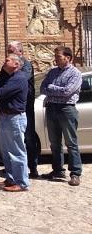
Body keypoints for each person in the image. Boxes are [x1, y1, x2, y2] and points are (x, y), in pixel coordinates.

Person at [40, 46, 83, 186]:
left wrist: (52, 88)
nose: (55, 59)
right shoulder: (52, 72)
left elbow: (67, 91)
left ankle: (75, 173)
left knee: (71, 142)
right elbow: (42, 88)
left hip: (67, 109)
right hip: (52, 108)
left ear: (68, 58)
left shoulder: (75, 73)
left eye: (58, 56)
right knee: (54, 142)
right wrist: (53, 89)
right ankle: (58, 169)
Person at [0, 54, 29, 192]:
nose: (4, 62)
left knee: (17, 151)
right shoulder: (7, 77)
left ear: (16, 64)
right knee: (6, 151)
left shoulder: (18, 78)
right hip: (5, 116)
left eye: (7, 60)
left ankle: (21, 182)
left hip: (15, 118)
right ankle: (11, 178)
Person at [8, 41, 39, 178]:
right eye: (8, 51)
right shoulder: (8, 66)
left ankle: (33, 168)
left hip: (25, 107)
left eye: (11, 51)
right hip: (13, 107)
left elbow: (20, 82)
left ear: (20, 52)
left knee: (28, 137)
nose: (9, 54)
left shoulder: (26, 66)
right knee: (14, 139)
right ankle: (15, 168)